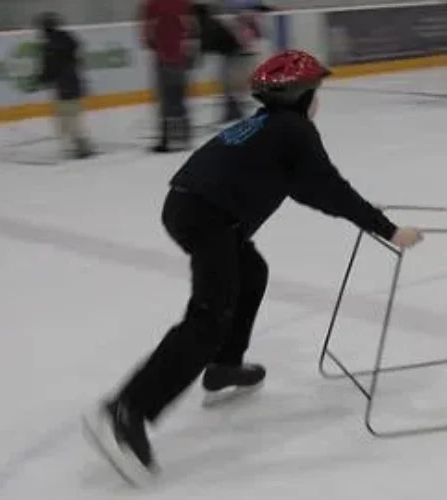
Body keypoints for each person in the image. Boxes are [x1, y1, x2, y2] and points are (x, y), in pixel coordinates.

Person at [82, 49, 424, 486]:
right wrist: (389, 230)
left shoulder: (270, 127)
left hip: (192, 207)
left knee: (251, 273)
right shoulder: (295, 130)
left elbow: (307, 189)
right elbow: (330, 188)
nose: (318, 100)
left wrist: (360, 213)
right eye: (316, 91)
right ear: (300, 95)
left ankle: (225, 366)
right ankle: (127, 410)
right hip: (209, 216)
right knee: (208, 317)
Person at [34, 12, 94, 159]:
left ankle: (79, 146)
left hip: (62, 86)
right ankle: (80, 144)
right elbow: (76, 53)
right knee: (73, 116)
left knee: (65, 118)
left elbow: (49, 68)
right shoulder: (68, 38)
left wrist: (41, 79)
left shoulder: (49, 46)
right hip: (74, 82)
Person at [141, 0, 195, 152]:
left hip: (164, 58)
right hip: (180, 57)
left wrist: (154, 45)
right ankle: (185, 136)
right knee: (179, 97)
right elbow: (191, 28)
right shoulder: (183, 3)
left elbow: (148, 35)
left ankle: (166, 138)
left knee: (166, 99)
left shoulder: (152, 4)